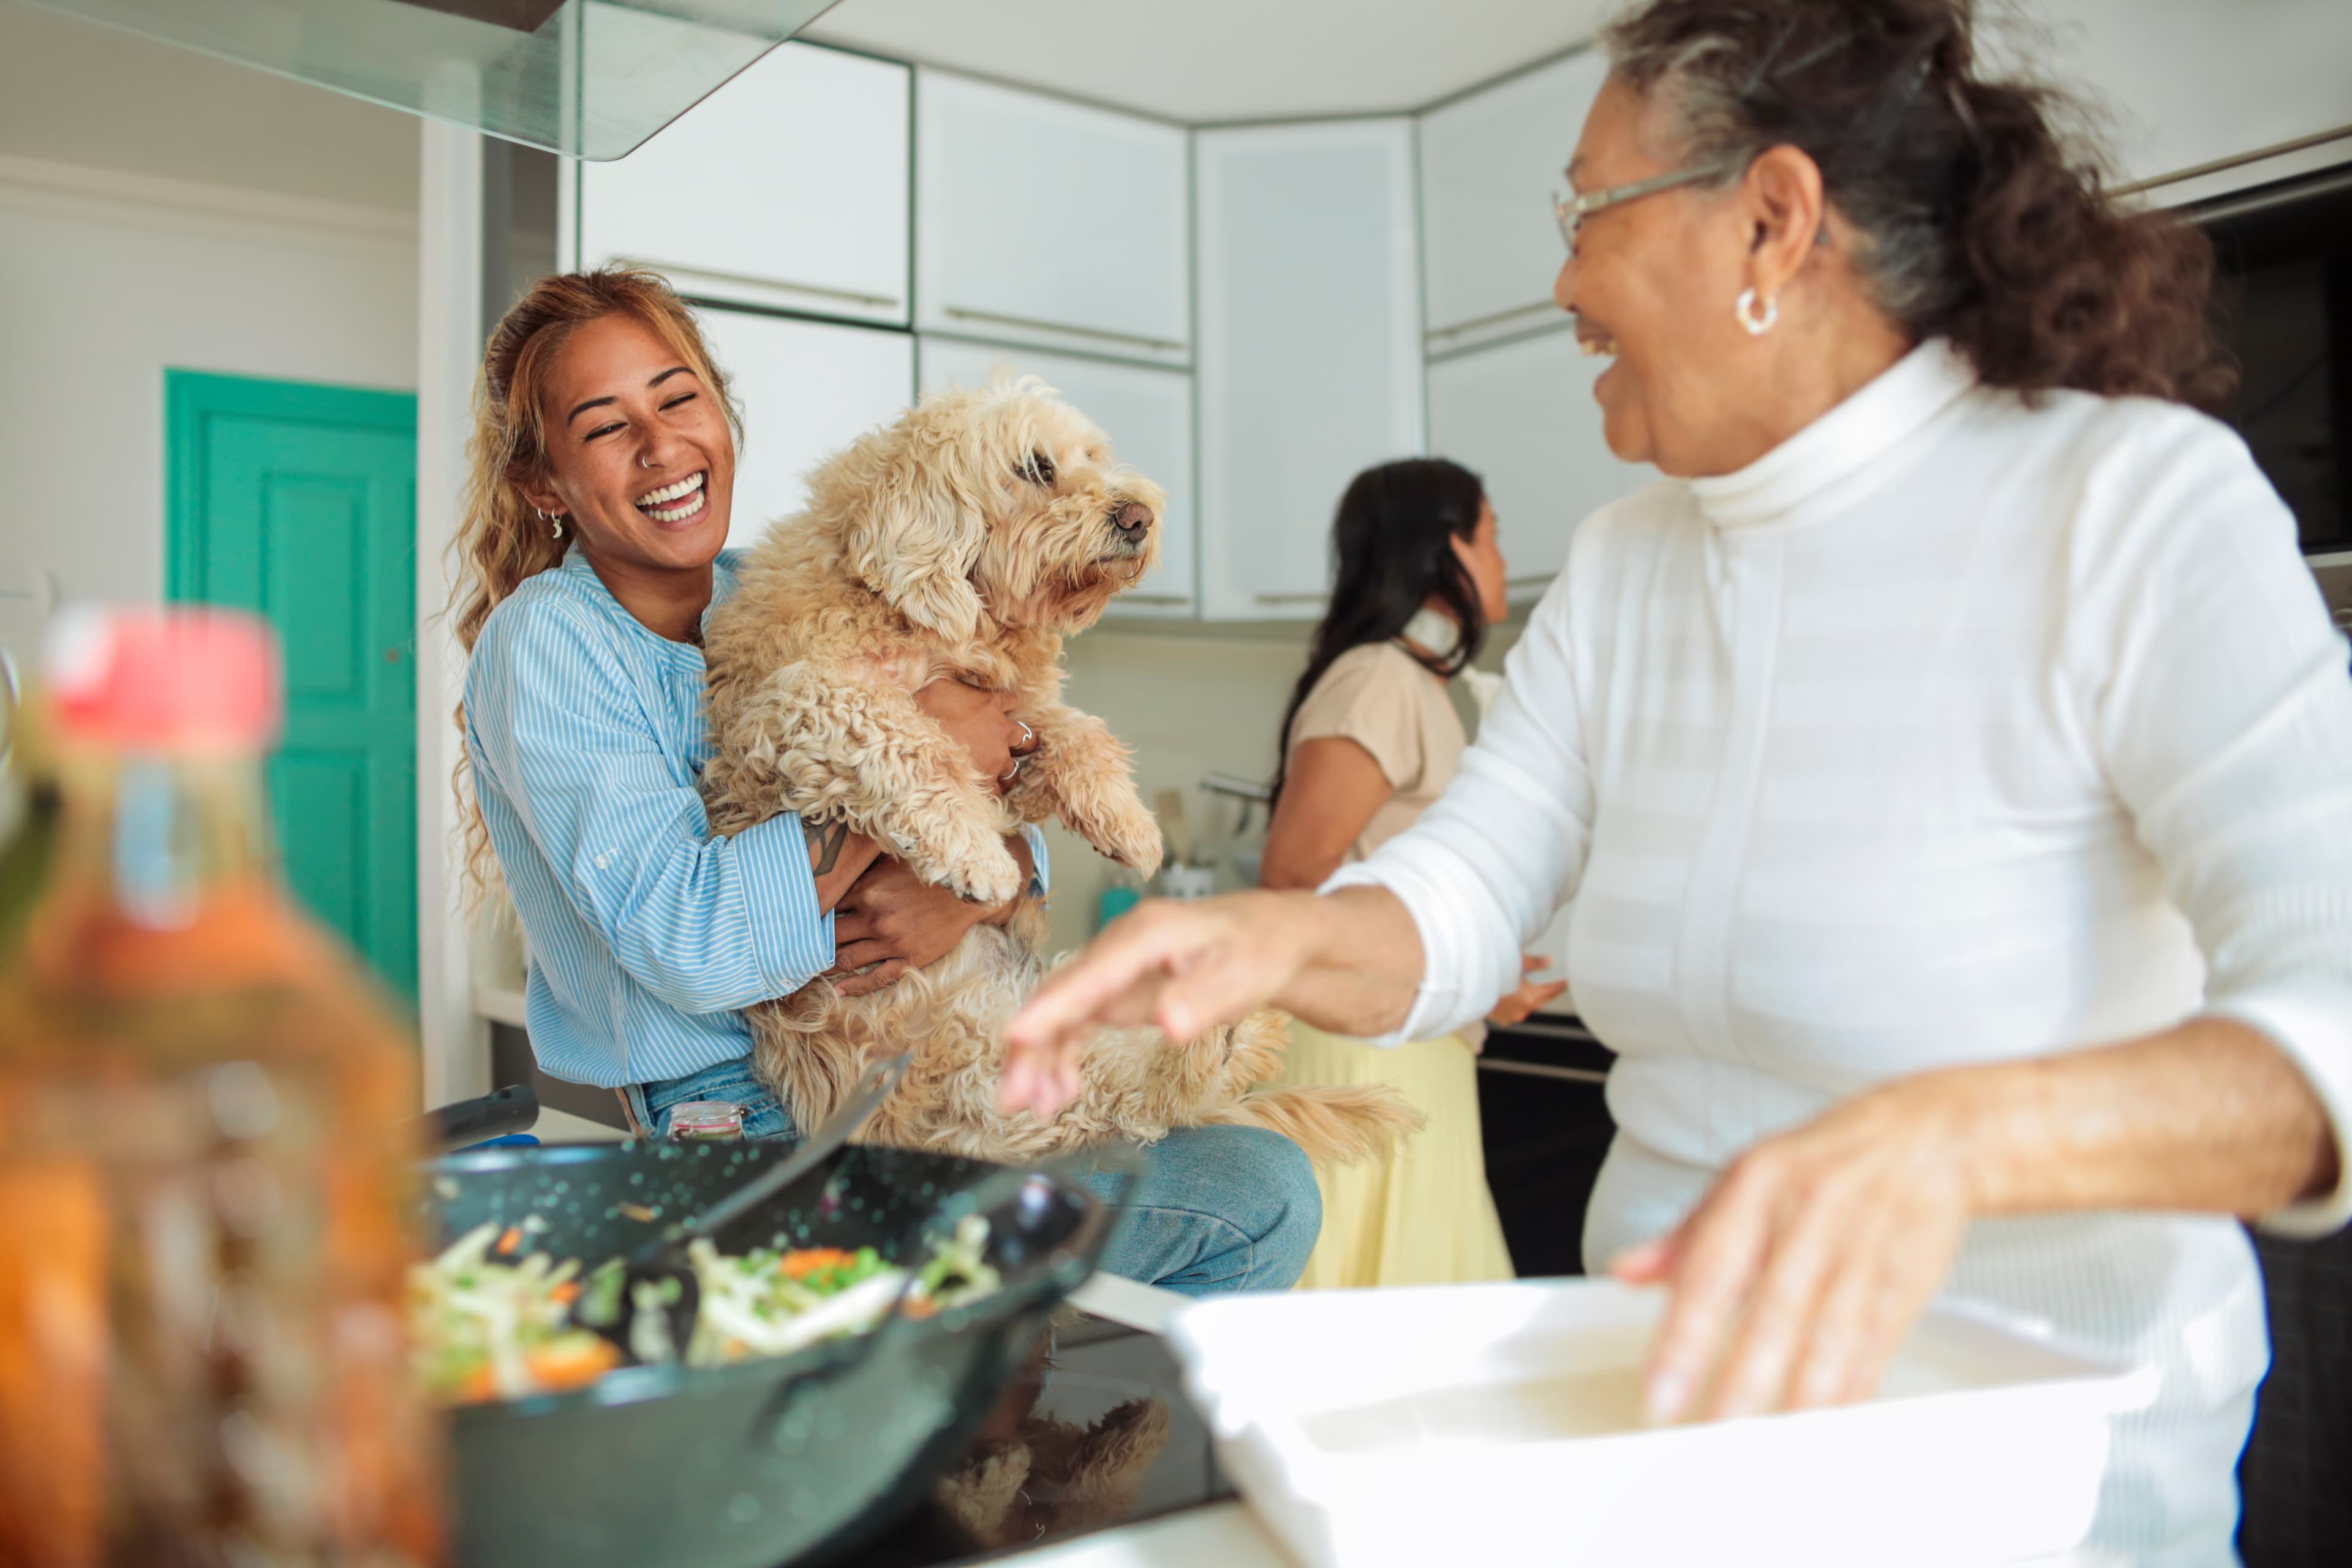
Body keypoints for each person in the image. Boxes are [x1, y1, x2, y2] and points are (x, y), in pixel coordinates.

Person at [1001, 0, 2352, 1556]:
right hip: (1663, 1447)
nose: (1564, 280)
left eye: (1587, 212)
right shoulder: (1635, 566)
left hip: (2035, 1492)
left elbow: (2323, 1021)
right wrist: (1270, 937)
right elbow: (1461, 892)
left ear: (1772, 224)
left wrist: (1954, 1136)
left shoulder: (2128, 507)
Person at [453, 268, 1319, 1295]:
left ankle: (983, 1398)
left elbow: (999, 826)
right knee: (1252, 1193)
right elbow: (686, 939)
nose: (660, 444)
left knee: (1253, 1172)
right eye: (605, 426)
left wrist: (961, 890)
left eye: (678, 398)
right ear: (545, 481)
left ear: (722, 413)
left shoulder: (768, 589)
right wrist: (928, 754)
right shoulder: (547, 641)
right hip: (747, 1129)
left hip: (921, 1055)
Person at [1257, 458, 1559, 1287]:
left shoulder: (1420, 685)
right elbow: (1292, 878)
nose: (1503, 561)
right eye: (1493, 538)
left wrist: (1476, 975)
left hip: (1407, 1043)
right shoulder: (1379, 679)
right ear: (1444, 552)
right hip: (1365, 1051)